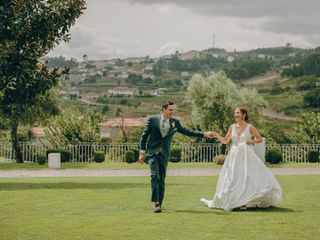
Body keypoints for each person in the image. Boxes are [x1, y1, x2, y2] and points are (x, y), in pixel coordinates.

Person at [200, 107, 283, 211]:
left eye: (238, 113)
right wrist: (216, 135)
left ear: (244, 115)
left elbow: (260, 138)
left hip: (246, 156)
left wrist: (251, 142)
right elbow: (225, 141)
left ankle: (245, 202)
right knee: (234, 178)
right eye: (235, 113)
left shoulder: (249, 127)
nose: (235, 115)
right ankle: (236, 201)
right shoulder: (232, 127)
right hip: (234, 157)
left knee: (246, 178)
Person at [139, 101, 212, 213]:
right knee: (155, 176)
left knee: (162, 178)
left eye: (173, 110)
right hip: (153, 152)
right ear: (163, 109)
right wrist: (142, 153)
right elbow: (144, 137)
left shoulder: (175, 122)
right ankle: (156, 202)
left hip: (164, 154)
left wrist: (203, 134)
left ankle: (160, 203)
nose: (172, 112)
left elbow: (188, 132)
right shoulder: (152, 120)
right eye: (170, 110)